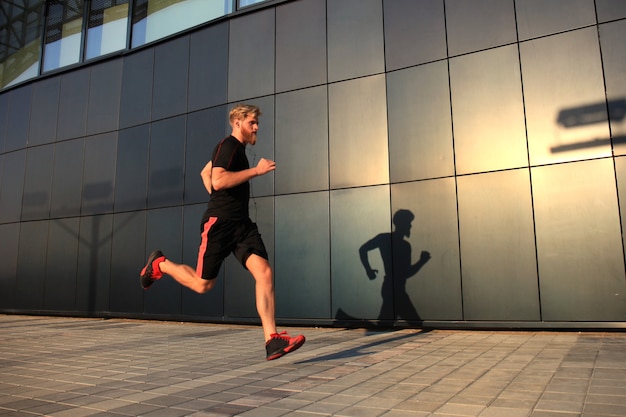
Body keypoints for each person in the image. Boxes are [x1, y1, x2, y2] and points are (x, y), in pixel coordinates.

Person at [140, 103, 305, 361]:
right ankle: (160, 264)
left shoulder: (235, 149)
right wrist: (256, 171)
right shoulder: (227, 145)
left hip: (242, 225)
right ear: (237, 122)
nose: (256, 127)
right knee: (203, 285)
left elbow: (205, 172)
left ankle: (272, 340)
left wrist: (220, 198)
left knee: (264, 273)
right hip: (220, 224)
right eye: (252, 122)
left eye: (257, 123)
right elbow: (217, 179)